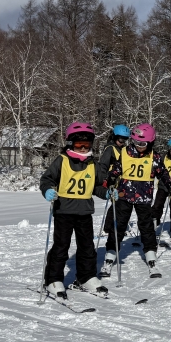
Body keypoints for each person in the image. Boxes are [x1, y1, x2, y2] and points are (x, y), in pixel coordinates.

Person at [40, 122, 112, 297]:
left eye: (87, 144)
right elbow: (47, 179)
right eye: (79, 144)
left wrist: (107, 193)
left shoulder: (92, 164)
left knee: (87, 246)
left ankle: (86, 277)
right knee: (61, 246)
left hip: (84, 212)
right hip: (64, 211)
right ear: (71, 143)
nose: (83, 148)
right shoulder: (62, 160)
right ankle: (53, 280)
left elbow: (97, 186)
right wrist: (48, 190)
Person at [103, 123, 171, 275]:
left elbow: (163, 172)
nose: (139, 146)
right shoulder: (125, 153)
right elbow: (116, 169)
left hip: (144, 197)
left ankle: (151, 256)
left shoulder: (154, 157)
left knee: (146, 227)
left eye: (142, 144)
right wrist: (110, 179)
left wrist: (169, 183)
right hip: (124, 196)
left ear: (150, 143)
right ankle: (110, 256)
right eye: (135, 142)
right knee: (118, 226)